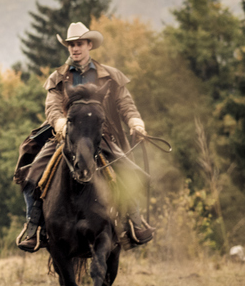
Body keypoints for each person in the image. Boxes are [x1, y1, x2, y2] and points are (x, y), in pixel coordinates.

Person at [13, 22, 155, 252]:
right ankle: (34, 226)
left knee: (131, 172)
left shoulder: (110, 76)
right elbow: (53, 107)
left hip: (101, 135)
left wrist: (135, 122)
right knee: (32, 174)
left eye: (79, 44)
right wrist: (60, 125)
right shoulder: (58, 77)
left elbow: (125, 104)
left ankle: (134, 222)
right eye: (71, 45)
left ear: (89, 45)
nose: (75, 49)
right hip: (65, 135)